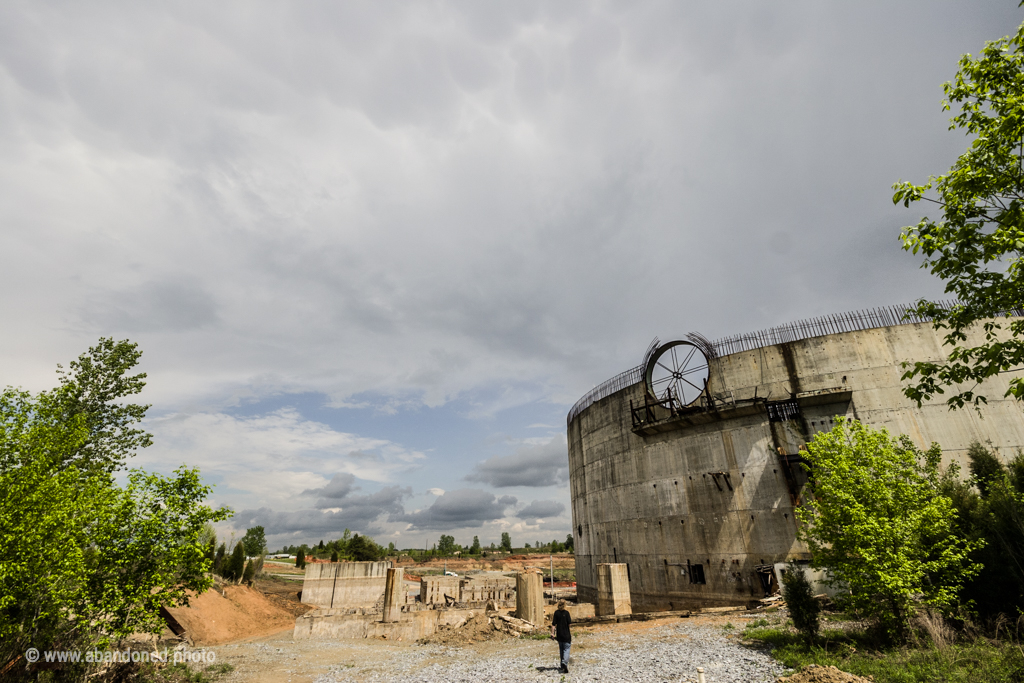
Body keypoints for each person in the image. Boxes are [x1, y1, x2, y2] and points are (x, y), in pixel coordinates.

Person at [550, 599, 572, 674]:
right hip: (566, 635)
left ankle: (562, 666)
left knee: (561, 650)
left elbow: (553, 625)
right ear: (565, 605)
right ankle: (564, 663)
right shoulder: (567, 613)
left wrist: (552, 633)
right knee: (567, 649)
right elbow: (569, 624)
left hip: (559, 635)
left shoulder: (556, 613)